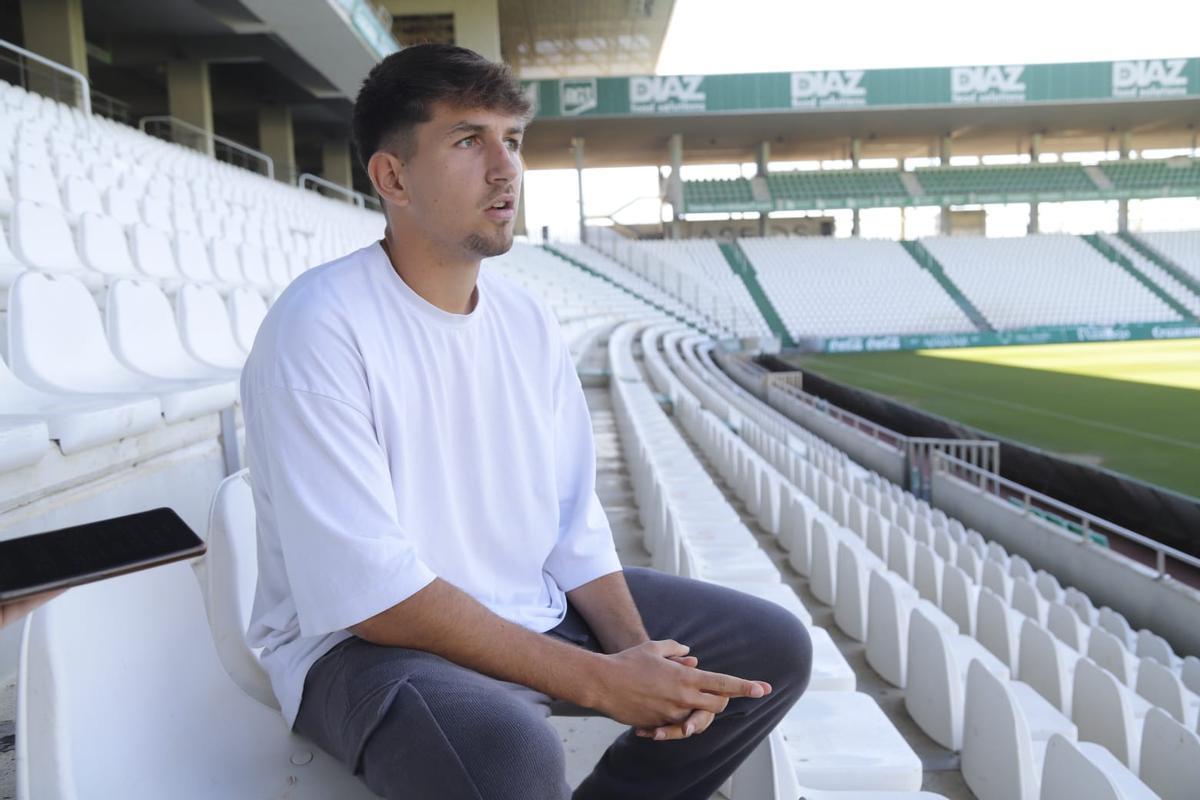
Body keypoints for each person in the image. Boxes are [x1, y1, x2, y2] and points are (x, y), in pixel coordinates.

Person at [240, 43, 812, 800]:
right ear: (392, 176)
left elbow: (573, 527)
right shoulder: (319, 326)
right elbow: (372, 595)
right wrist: (602, 681)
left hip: (521, 602)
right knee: (506, 754)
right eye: (468, 140)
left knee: (770, 648)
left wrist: (642, 657)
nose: (505, 169)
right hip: (358, 649)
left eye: (512, 140)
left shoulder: (525, 317)